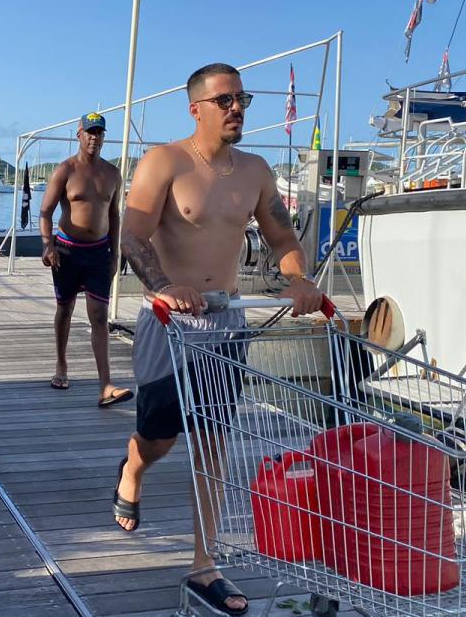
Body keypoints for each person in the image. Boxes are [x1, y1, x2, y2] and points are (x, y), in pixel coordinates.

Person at [113, 64, 324, 615]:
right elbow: (132, 235)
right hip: (168, 320)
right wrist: (163, 286)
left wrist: (298, 278)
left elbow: (281, 232)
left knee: (212, 440)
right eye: (225, 99)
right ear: (196, 108)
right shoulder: (164, 161)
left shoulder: (255, 171)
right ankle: (133, 467)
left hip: (225, 322)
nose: (237, 108)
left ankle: (204, 566)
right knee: (158, 437)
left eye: (243, 98)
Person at [39, 112, 133, 407]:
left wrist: (115, 253)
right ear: (79, 134)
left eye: (100, 133)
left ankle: (105, 385)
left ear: (105, 137)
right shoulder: (65, 170)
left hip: (98, 253)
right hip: (66, 250)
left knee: (99, 316)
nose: (95, 138)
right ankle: (61, 365)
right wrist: (47, 245)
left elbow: (115, 215)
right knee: (65, 309)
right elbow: (45, 212)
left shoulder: (112, 173)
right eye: (90, 132)